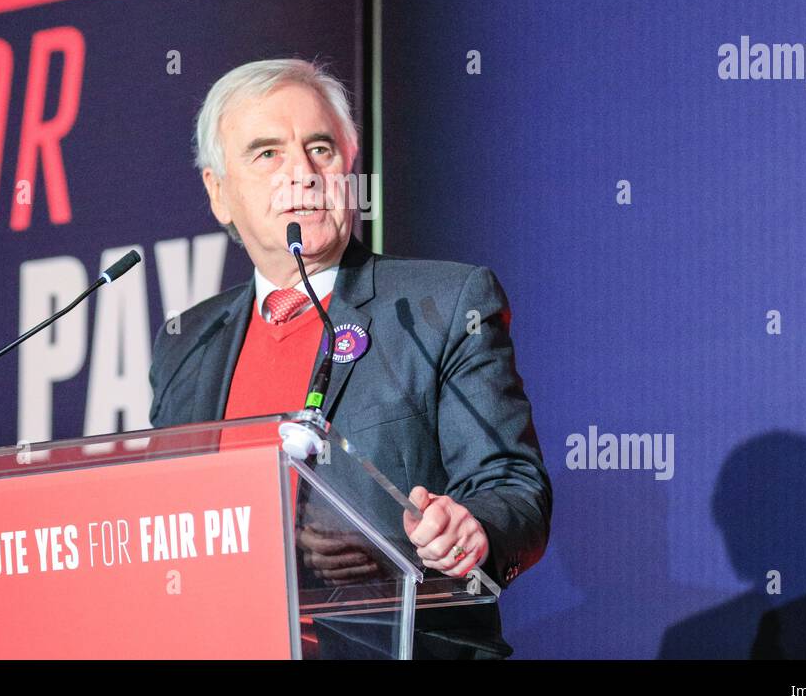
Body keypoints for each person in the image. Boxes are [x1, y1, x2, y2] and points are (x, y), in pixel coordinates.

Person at [147, 57, 552, 658]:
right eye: (266, 155)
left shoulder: (440, 304)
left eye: (320, 150)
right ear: (218, 193)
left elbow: (514, 488)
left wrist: (471, 528)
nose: (302, 175)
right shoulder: (188, 340)